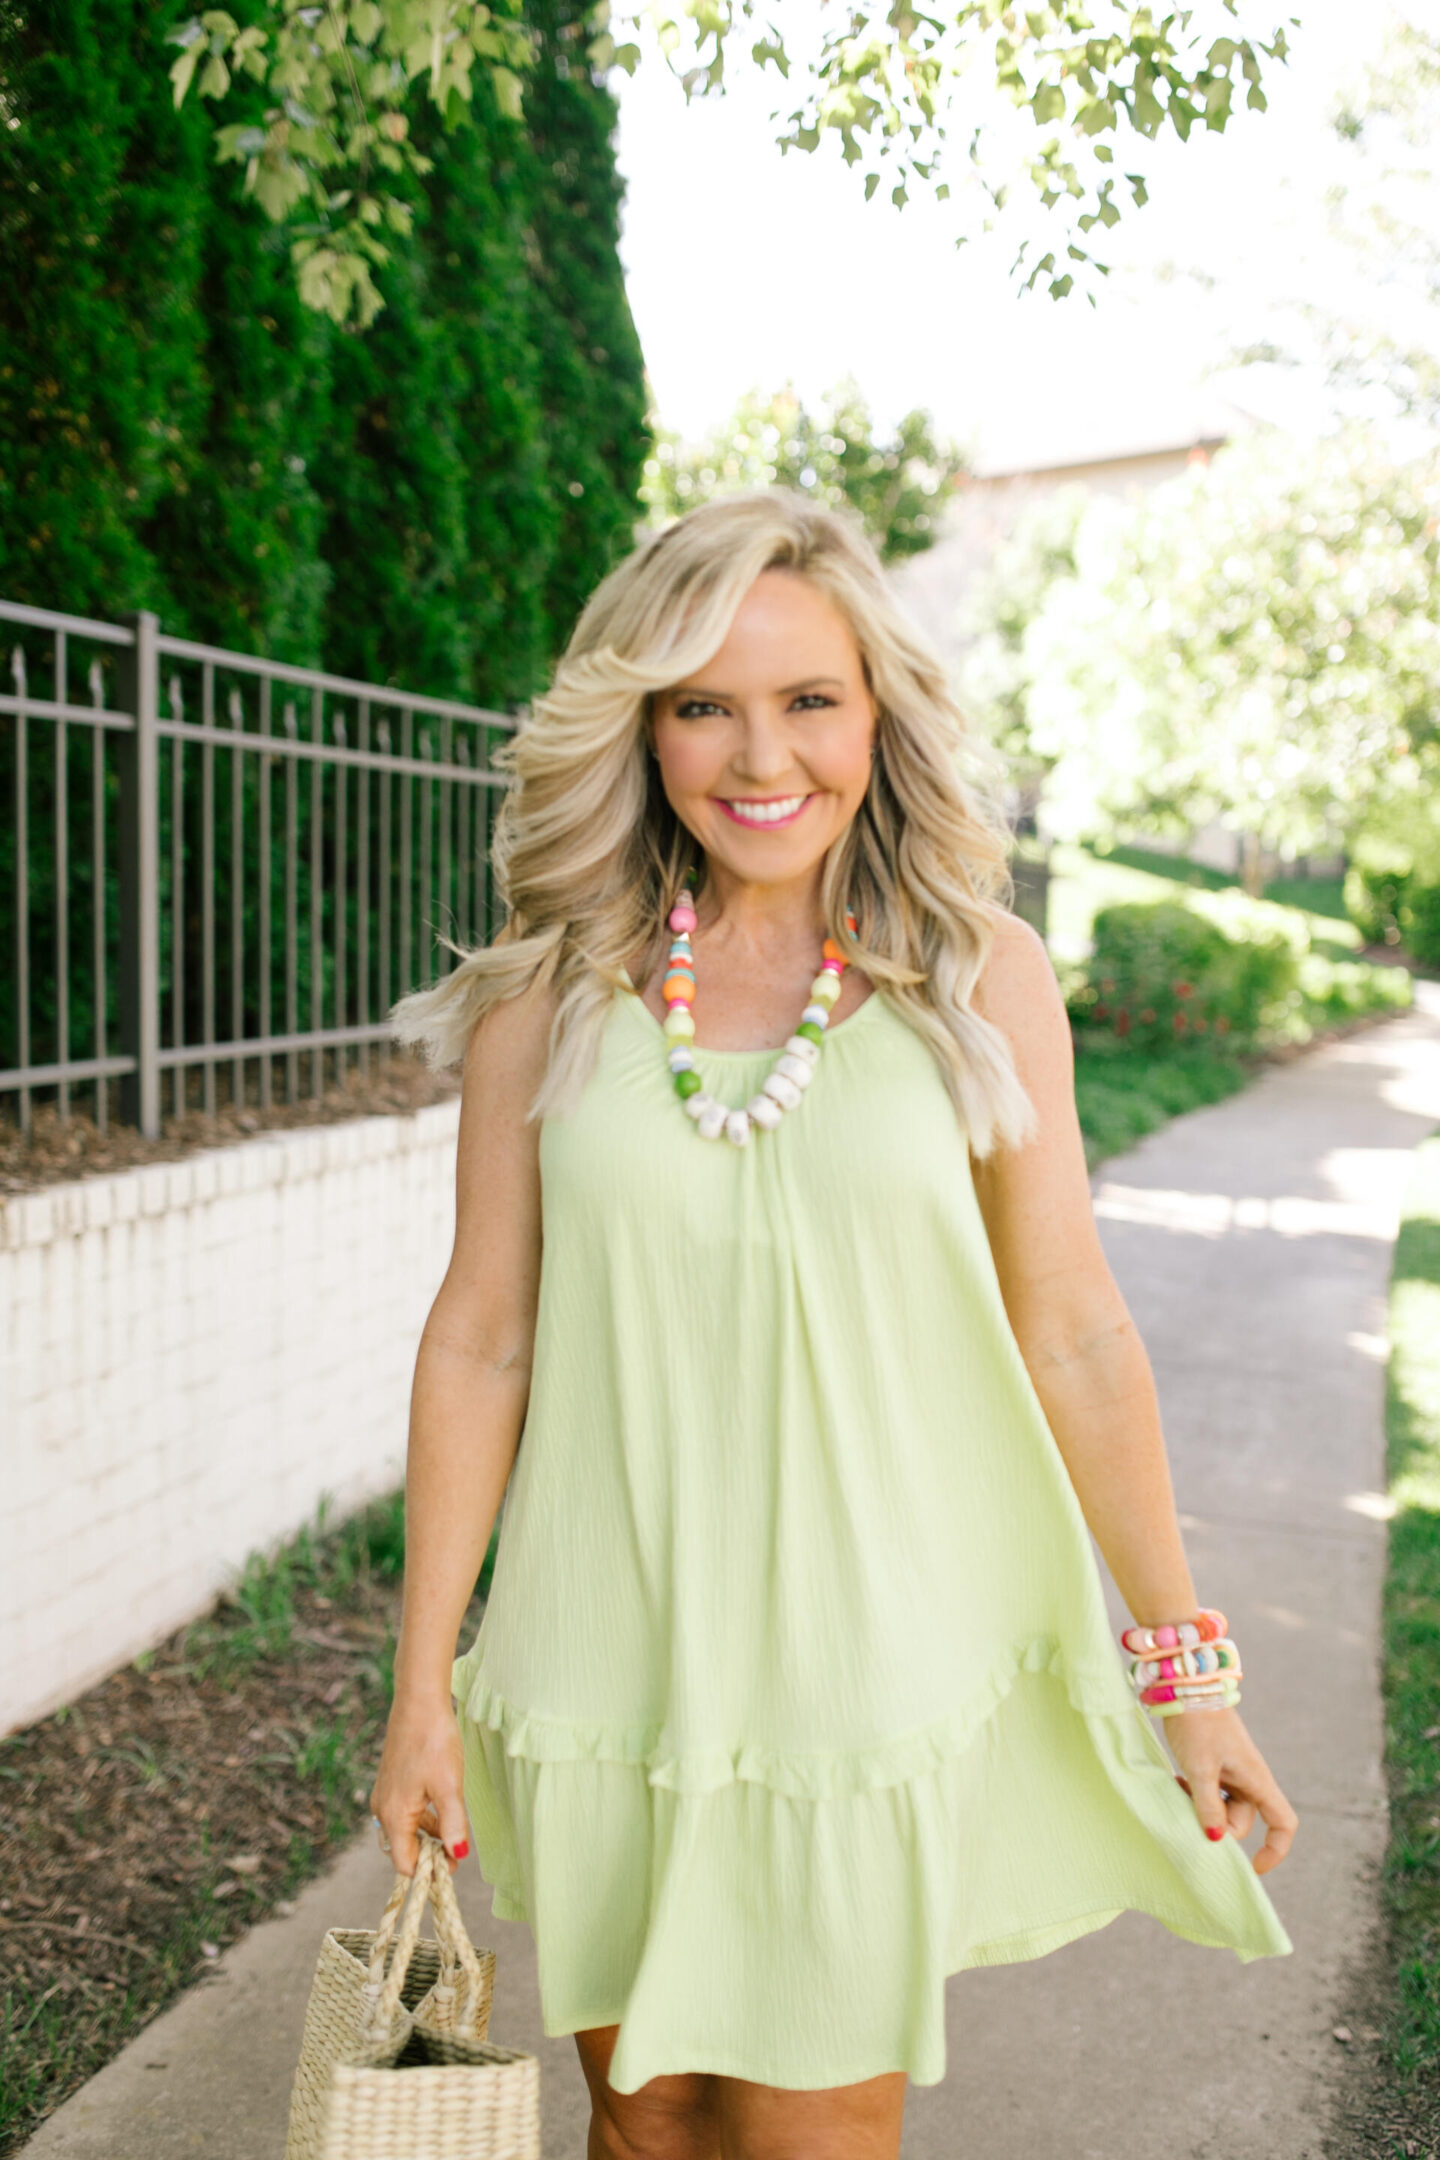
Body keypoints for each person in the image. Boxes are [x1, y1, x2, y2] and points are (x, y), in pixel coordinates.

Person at [370, 491, 1296, 2160]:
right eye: (703, 705)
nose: (760, 756)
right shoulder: (549, 998)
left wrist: (1188, 1674)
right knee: (644, 2119)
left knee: (812, 2127)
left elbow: (1077, 1333)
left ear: (879, 715)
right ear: (643, 728)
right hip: (606, 1655)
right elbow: (481, 1339)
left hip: (855, 1670)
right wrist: (420, 1685)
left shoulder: (975, 980)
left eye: (809, 699)